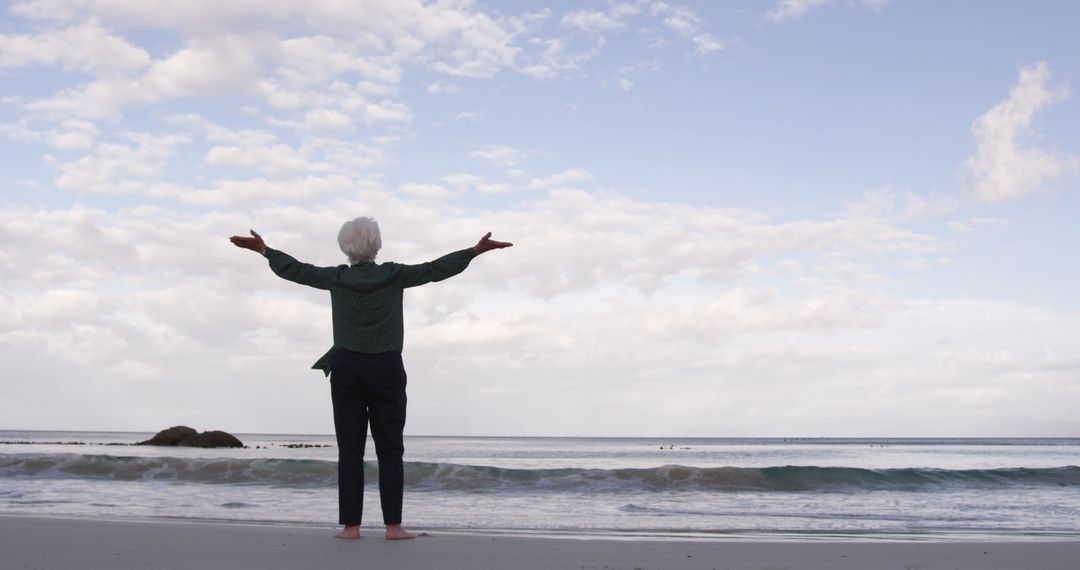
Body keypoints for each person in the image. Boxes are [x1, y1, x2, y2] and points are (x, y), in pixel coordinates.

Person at [229, 218, 512, 540]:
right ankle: (394, 527)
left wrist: (265, 250)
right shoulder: (394, 274)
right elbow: (435, 269)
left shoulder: (336, 277)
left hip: (347, 366)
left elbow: (296, 270)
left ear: (344, 246)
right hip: (387, 367)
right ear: (376, 245)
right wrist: (474, 251)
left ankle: (351, 527)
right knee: (390, 449)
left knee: (350, 449)